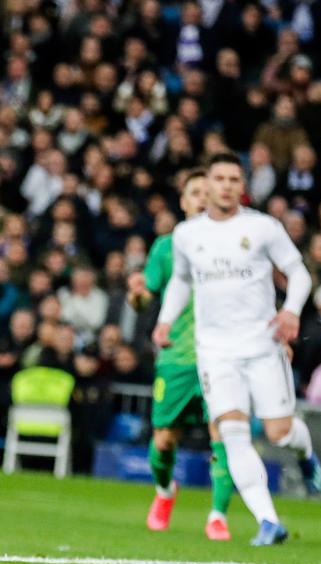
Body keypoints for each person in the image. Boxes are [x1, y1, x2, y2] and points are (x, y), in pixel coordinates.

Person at [154, 152, 321, 546]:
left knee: (279, 433)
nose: (227, 186)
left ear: (242, 186)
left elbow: (298, 272)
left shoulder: (264, 227)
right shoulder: (187, 235)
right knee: (232, 434)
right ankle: (268, 521)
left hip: (262, 346)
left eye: (234, 179)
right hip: (214, 352)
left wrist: (291, 312)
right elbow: (181, 280)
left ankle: (305, 453)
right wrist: (165, 320)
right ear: (208, 185)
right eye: (220, 179)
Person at [127, 168, 235, 541]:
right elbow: (144, 297)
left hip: (220, 358)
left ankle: (218, 515)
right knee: (163, 441)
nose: (204, 197)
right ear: (184, 200)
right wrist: (136, 292)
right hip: (175, 359)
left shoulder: (234, 244)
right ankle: (164, 491)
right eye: (195, 192)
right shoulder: (166, 246)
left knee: (224, 435)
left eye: (209, 191)